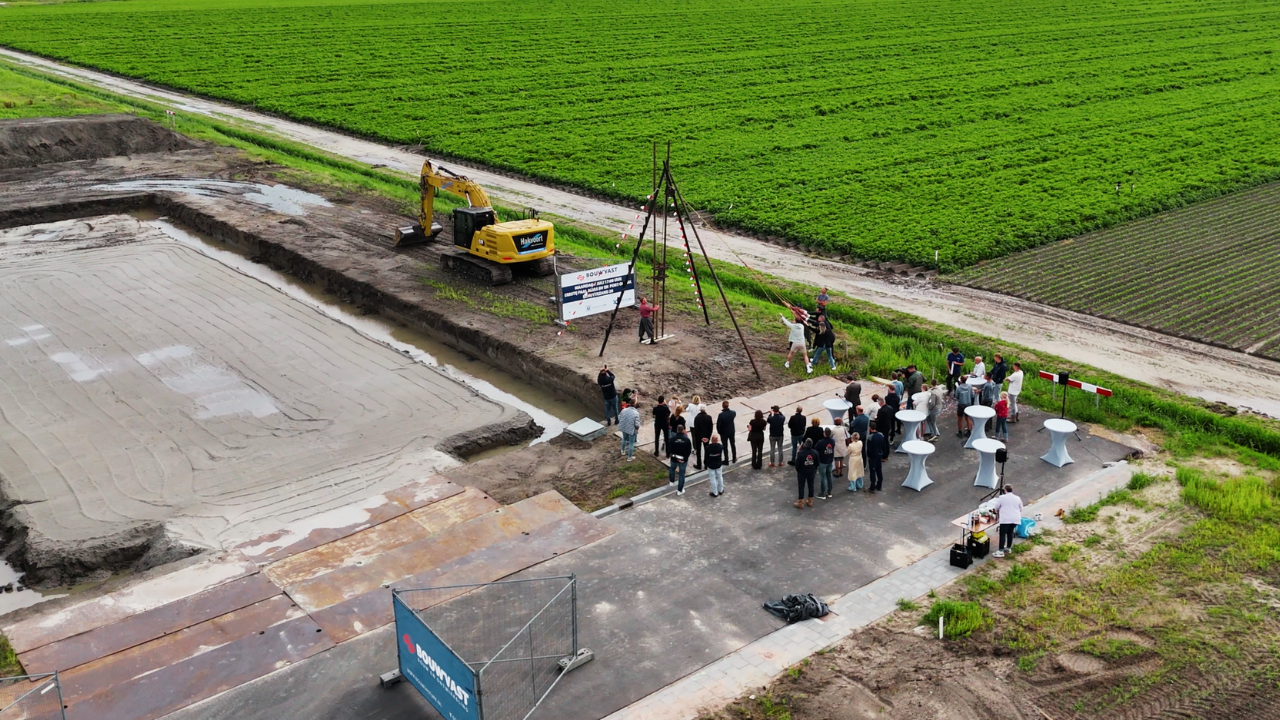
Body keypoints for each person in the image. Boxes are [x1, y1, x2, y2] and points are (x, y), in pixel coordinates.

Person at [992, 485, 1024, 558]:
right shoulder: (1017, 498)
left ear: (1005, 490)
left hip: (1006, 519)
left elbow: (996, 507)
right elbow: (1021, 508)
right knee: (1010, 532)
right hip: (1015, 519)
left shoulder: (1002, 498)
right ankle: (1008, 548)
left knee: (1002, 534)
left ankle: (1000, 551)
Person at [865, 422, 890, 493]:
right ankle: (879, 485)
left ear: (870, 428)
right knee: (879, 470)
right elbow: (884, 446)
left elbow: (869, 449)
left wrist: (869, 456)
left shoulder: (870, 437)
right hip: (879, 456)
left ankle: (872, 487)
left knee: (872, 472)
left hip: (873, 457)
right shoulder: (881, 435)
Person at [793, 438, 819, 508]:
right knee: (811, 485)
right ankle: (810, 500)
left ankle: (801, 501)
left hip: (802, 472)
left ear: (805, 444)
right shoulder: (815, 452)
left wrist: (798, 470)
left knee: (801, 486)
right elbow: (817, 463)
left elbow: (797, 464)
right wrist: (814, 469)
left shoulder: (801, 453)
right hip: (811, 471)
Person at [667, 427, 692, 495]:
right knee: (681, 473)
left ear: (677, 430)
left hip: (674, 458)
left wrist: (675, 457)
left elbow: (670, 450)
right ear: (683, 430)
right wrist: (684, 459)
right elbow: (689, 451)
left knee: (672, 468)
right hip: (683, 460)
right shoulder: (687, 440)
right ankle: (680, 490)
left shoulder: (672, 439)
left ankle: (671, 481)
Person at [816, 428, 836, 499]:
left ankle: (822, 493)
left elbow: (816, 449)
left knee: (823, 477)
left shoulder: (821, 442)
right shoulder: (832, 441)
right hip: (830, 460)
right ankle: (829, 492)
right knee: (829, 476)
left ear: (824, 433)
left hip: (822, 461)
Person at [692, 405, 713, 470]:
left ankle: (699, 464)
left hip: (698, 437)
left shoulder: (697, 418)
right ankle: (706, 464)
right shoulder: (709, 417)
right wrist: (708, 437)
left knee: (698, 451)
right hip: (706, 437)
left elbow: (696, 429)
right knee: (706, 451)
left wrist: (701, 437)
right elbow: (710, 428)